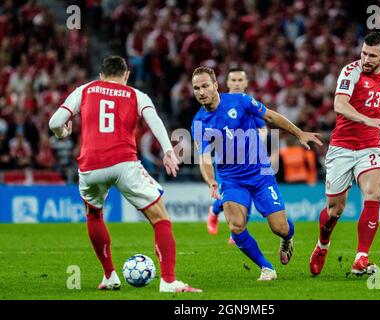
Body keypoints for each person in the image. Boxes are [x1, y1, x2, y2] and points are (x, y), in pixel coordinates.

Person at [49, 55, 201, 293]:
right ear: (126, 75)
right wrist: (168, 151)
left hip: (90, 167)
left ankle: (109, 276)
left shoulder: (85, 90)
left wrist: (62, 133)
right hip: (123, 164)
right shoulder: (136, 95)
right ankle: (169, 281)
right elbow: (155, 121)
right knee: (160, 217)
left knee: (94, 215)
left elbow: (55, 122)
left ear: (101, 75)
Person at [191, 66, 322, 280]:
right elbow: (204, 158)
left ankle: (288, 239)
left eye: (205, 86)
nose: (201, 91)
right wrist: (212, 182)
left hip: (260, 174)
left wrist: (299, 133)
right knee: (236, 225)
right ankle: (266, 267)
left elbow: (270, 117)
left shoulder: (240, 101)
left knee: (280, 228)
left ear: (215, 85)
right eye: (196, 88)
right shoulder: (198, 122)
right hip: (231, 179)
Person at [309, 31, 380, 276]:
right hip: (341, 148)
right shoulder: (351, 71)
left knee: (374, 192)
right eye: (364, 52)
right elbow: (340, 105)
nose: (365, 58)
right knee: (335, 210)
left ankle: (361, 258)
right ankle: (322, 245)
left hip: (369, 147)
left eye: (372, 55)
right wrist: (369, 120)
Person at [206, 68, 268, 246]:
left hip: (248, 161)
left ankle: (237, 233)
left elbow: (263, 128)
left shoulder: (249, 103)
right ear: (227, 83)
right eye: (233, 80)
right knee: (225, 196)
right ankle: (214, 210)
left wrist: (257, 144)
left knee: (245, 197)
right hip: (225, 162)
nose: (237, 83)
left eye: (241, 80)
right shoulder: (218, 103)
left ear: (246, 82)